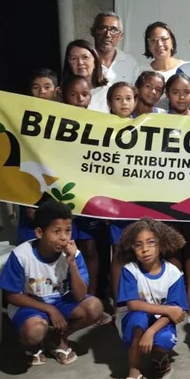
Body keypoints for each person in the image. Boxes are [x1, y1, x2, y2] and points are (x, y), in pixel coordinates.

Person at [0, 201, 105, 366]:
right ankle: (35, 342)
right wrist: (50, 309)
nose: (63, 237)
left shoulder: (73, 254)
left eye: (68, 231)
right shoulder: (21, 255)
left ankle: (55, 338)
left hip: (61, 301)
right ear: (40, 233)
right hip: (31, 305)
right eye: (57, 231)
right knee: (34, 331)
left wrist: (72, 263)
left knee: (95, 307)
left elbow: (81, 295)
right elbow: (11, 296)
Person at [115, 218, 188, 379]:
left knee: (161, 341)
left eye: (151, 243)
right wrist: (167, 309)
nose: (145, 249)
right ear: (132, 248)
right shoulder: (130, 270)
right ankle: (134, 367)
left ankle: (157, 354)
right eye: (138, 245)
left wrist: (151, 332)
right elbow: (132, 304)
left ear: (160, 245)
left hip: (159, 322)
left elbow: (177, 313)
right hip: (132, 320)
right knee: (139, 317)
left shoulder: (173, 273)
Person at [60, 77, 107, 299]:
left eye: (85, 94)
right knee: (64, 246)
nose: (80, 99)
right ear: (63, 95)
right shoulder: (55, 122)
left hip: (88, 198)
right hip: (62, 196)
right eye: (73, 94)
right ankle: (64, 295)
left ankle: (92, 296)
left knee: (89, 247)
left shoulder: (98, 123)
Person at [92, 11, 141, 86]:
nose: (108, 35)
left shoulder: (130, 62)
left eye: (113, 30)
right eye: (102, 29)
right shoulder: (83, 60)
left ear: (121, 36)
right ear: (93, 32)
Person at [63, 40, 108, 113]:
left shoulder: (109, 92)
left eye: (85, 57)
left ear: (95, 61)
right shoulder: (60, 94)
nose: (80, 63)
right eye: (74, 58)